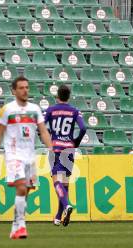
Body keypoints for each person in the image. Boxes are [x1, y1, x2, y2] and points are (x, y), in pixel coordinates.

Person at [0, 76, 52, 240]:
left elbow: (43, 131)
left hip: (29, 156)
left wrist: (51, 147)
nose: (25, 90)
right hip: (13, 155)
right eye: (21, 88)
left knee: (27, 191)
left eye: (27, 87)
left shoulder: (35, 109)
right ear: (14, 90)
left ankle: (15, 226)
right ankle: (22, 226)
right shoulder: (7, 110)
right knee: (22, 188)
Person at [45, 85, 86, 227]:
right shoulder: (75, 111)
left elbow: (41, 126)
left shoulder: (51, 110)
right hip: (69, 149)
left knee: (56, 181)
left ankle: (67, 205)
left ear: (57, 96)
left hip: (55, 149)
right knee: (65, 184)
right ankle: (58, 217)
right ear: (69, 96)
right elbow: (83, 128)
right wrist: (76, 142)